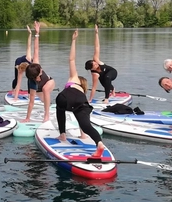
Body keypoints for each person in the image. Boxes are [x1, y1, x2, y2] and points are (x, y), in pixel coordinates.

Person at [57, 29, 107, 158]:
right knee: (86, 125)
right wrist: (82, 135)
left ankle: (62, 134)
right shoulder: (83, 93)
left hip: (65, 97)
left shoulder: (73, 78)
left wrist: (73, 40)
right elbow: (83, 120)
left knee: (59, 108)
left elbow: (72, 59)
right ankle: (99, 143)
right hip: (81, 103)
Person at [23, 21, 56, 123]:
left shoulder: (36, 64)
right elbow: (31, 102)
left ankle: (46, 115)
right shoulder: (32, 84)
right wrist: (27, 118)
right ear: (34, 77)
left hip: (49, 82)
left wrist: (37, 33)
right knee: (44, 100)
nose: (42, 71)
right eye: (40, 73)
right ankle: (48, 106)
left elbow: (36, 49)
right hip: (39, 90)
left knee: (46, 89)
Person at [84, 24, 118, 103]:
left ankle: (107, 98)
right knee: (104, 82)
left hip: (113, 72)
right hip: (105, 77)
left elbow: (97, 47)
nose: (96, 64)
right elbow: (94, 88)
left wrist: (96, 33)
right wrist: (90, 100)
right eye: (94, 65)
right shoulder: (95, 74)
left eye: (95, 63)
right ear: (92, 68)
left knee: (107, 77)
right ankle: (112, 89)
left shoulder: (96, 60)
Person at [11, 25, 33, 100]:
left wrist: (30, 96)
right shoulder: (28, 57)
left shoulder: (33, 66)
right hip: (19, 62)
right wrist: (30, 34)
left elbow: (31, 81)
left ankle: (29, 95)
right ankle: (13, 90)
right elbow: (29, 46)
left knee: (30, 79)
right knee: (17, 79)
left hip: (26, 65)